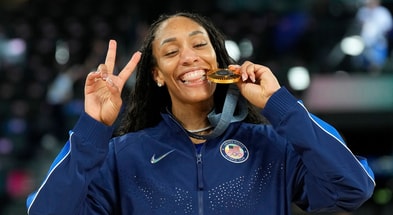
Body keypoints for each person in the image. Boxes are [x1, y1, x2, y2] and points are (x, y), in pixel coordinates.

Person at [26, 12, 375, 215]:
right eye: (171, 51)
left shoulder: (272, 147)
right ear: (158, 75)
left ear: (218, 60)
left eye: (199, 44)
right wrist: (93, 129)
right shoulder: (122, 157)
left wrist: (280, 106)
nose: (189, 57)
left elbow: (353, 187)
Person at [354, 0, 393, 73]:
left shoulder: (383, 12)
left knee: (376, 62)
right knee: (362, 62)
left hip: (378, 41)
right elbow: (358, 24)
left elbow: (388, 27)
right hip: (364, 41)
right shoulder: (363, 11)